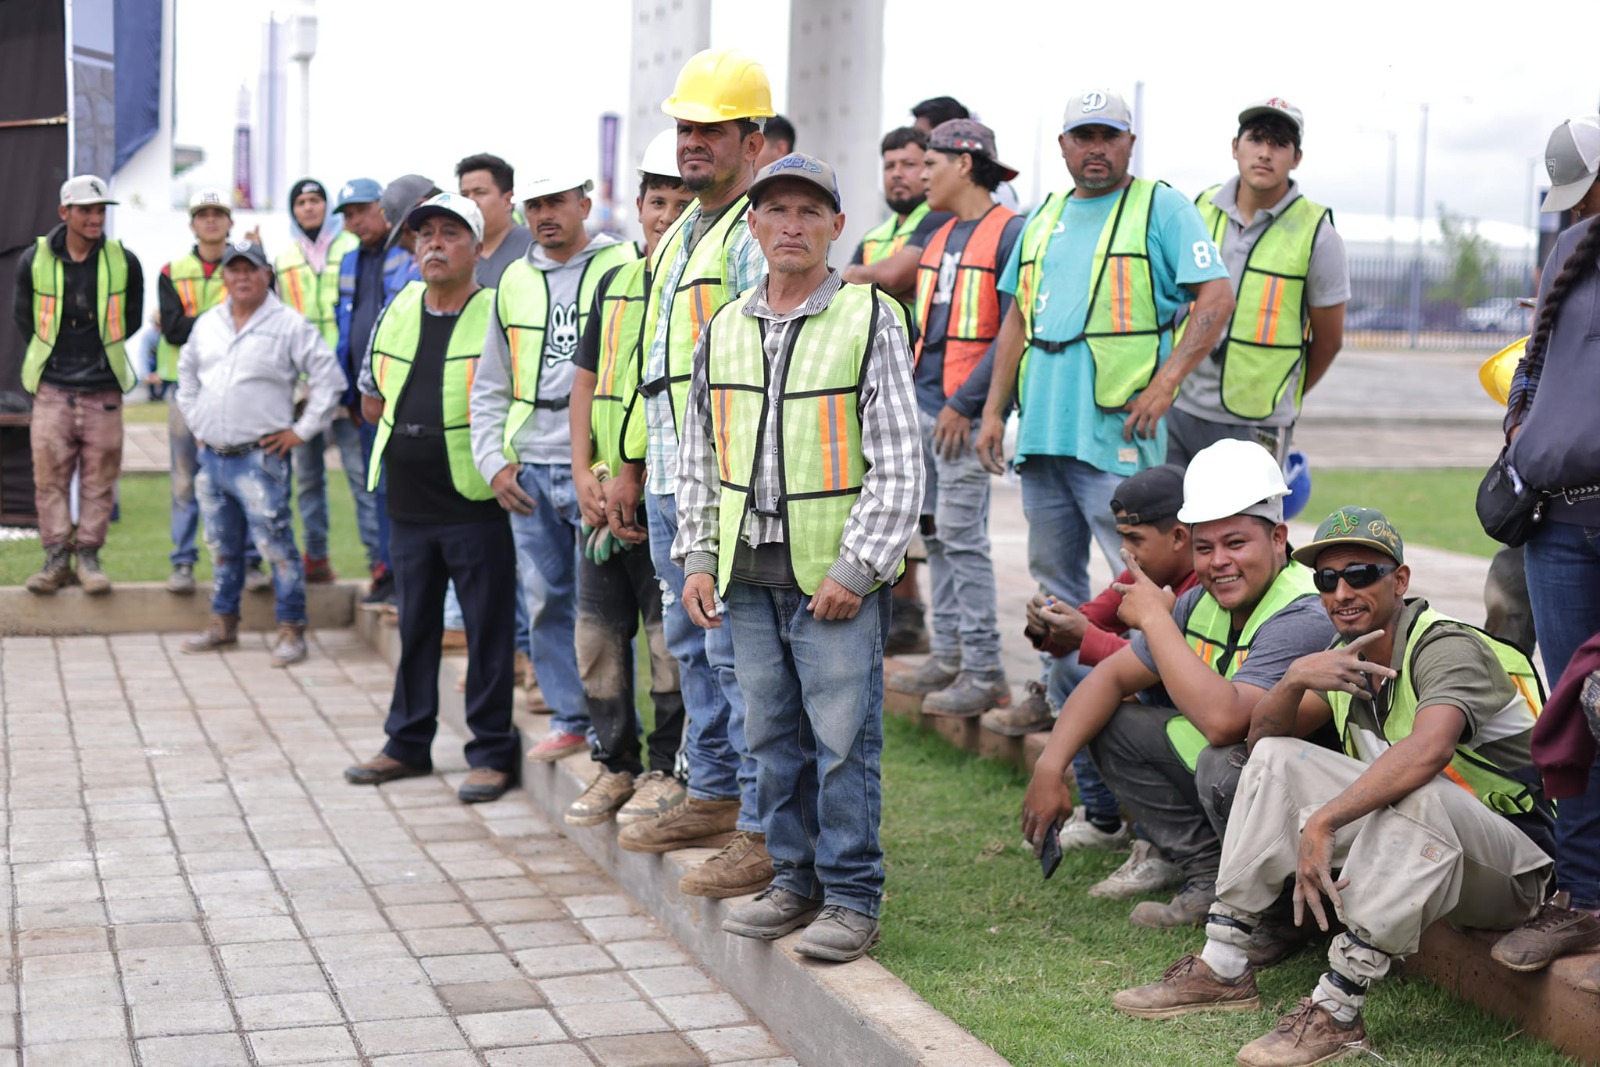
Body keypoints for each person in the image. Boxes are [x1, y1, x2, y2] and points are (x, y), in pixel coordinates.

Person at [1114, 507, 1553, 1067]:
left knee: (1417, 789)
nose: (1342, 591)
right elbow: (1260, 743)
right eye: (1327, 579)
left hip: (1515, 869)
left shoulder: (1445, 645)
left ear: (1399, 580)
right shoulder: (1348, 649)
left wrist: (1324, 821)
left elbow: (1430, 751)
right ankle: (1223, 963)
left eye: (1361, 574)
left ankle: (1338, 1009)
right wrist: (1295, 679)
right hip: (1427, 851)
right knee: (1274, 758)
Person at [676, 153, 923, 962]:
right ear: (752, 225)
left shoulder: (868, 316)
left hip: (830, 581)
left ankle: (852, 895)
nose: (791, 225)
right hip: (749, 578)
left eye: (808, 212)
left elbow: (897, 459)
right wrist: (700, 555)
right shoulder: (726, 326)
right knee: (770, 735)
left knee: (844, 740)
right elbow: (698, 456)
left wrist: (858, 568)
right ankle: (793, 879)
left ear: (835, 227)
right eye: (775, 210)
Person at [975, 88, 1234, 726]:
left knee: (1139, 580)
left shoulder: (1162, 207)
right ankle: (1060, 702)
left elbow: (1217, 298)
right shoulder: (1043, 215)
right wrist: (992, 412)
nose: (1097, 149)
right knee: (1054, 583)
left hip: (1117, 434)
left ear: (1130, 143)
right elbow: (1015, 319)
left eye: (1109, 136)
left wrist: (1169, 379)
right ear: (1063, 145)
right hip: (1041, 436)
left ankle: (1154, 711)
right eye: (1084, 137)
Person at [1019, 440, 1336, 928]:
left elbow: (1226, 723)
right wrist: (1050, 766)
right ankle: (1209, 874)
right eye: (1204, 548)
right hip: (1243, 773)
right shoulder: (1200, 602)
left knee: (1222, 763)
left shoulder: (1302, 610)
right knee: (1110, 721)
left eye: (1236, 544)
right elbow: (1109, 677)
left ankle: (1268, 910)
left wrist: (1156, 621)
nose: (1218, 563)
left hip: (1307, 794)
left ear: (1278, 538)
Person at [604, 49, 774, 898]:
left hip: (728, 477)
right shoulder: (679, 235)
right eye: (684, 128)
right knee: (689, 642)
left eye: (710, 128)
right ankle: (710, 788)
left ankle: (756, 821)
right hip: (672, 466)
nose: (693, 142)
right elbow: (651, 362)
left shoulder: (753, 230)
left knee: (735, 651)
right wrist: (632, 460)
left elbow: (770, 363)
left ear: (752, 136)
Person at [345, 194, 522, 804]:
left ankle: (493, 752)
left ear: (476, 248)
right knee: (415, 627)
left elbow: (516, 399)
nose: (434, 245)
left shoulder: (497, 310)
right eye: (425, 235)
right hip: (408, 502)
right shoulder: (398, 307)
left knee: (486, 632)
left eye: (450, 234)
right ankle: (406, 744)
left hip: (474, 501)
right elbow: (371, 393)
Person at [470, 171, 637, 761]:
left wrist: (620, 464)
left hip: (599, 464)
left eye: (557, 202)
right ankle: (569, 716)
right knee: (545, 599)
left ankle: (620, 730)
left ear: (584, 203)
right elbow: (490, 381)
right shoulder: (514, 278)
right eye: (535, 204)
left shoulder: (624, 263)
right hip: (530, 466)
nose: (546, 215)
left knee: (612, 609)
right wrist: (492, 461)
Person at [1491, 113, 1600, 974]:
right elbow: (1535, 359)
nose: (1579, 208)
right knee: (1573, 711)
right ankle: (1584, 891)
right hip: (1556, 522)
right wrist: (1519, 435)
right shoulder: (1569, 249)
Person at [562, 131, 695, 830]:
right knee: (595, 641)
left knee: (666, 646)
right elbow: (586, 382)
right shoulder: (614, 281)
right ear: (638, 204)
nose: (665, 213)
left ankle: (666, 767)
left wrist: (635, 476)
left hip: (656, 495)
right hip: (602, 492)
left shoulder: (695, 283)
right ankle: (612, 762)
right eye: (656, 200)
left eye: (679, 201)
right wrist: (585, 469)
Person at [884, 119, 1022, 717]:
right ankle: (949, 655)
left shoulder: (1009, 231)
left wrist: (966, 406)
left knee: (964, 541)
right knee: (937, 538)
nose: (919, 176)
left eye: (929, 165)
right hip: (926, 404)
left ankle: (986, 670)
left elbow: (1012, 329)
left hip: (959, 417)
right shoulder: (939, 229)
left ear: (964, 164)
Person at [993, 464, 1198, 851]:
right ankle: (1102, 818)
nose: (1127, 552)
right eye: (1122, 539)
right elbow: (1090, 622)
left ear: (1178, 537)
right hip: (1168, 704)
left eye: (1135, 539)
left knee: (1095, 678)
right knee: (1071, 668)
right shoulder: (1139, 574)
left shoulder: (1204, 583)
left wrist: (1086, 636)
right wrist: (1048, 625)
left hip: (1203, 719)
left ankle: (1158, 844)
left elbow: (1174, 669)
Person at [177, 240, 343, 666]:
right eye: (234, 270)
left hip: (260, 459)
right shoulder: (208, 323)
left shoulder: (288, 324)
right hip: (211, 457)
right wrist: (197, 422)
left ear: (267, 274)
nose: (242, 277)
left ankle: (291, 629)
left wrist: (302, 431)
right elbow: (187, 375)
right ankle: (223, 624)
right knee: (221, 546)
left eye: (250, 269)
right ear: (224, 277)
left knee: (276, 546)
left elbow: (329, 378)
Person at [1166, 98, 1349, 467]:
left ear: (1296, 157)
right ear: (1235, 147)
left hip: (1257, 423)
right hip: (1179, 407)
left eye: (1279, 144)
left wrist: (1279, 394)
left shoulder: (1318, 234)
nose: (1265, 153)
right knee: (1171, 522)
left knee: (1245, 526)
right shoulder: (1198, 209)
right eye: (1256, 139)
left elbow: (1329, 342)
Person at [841, 125, 953, 656]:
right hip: (876, 384)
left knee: (928, 517)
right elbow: (867, 280)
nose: (900, 175)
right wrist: (869, 273)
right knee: (887, 506)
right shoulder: (878, 231)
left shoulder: (936, 221)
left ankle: (924, 624)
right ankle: (902, 618)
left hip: (925, 386)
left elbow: (890, 275)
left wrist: (864, 274)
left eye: (910, 164)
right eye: (890, 166)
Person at [12, 175, 143, 595]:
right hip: (52, 387)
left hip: (104, 388)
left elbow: (133, 318)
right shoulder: (33, 260)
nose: (95, 217)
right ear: (64, 212)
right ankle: (55, 558)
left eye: (100, 209)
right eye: (86, 210)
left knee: (100, 478)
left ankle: (88, 556)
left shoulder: (124, 260)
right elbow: (24, 319)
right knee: (49, 477)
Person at [276, 178, 372, 586]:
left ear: (326, 206)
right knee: (308, 477)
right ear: (293, 210)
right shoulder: (284, 259)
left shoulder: (350, 248)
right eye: (301, 201)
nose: (309, 208)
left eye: (316, 200)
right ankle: (316, 557)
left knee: (359, 475)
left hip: (345, 380)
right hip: (301, 384)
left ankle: (377, 561)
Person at [334, 177, 413, 607]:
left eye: (363, 210)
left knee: (395, 490)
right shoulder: (349, 261)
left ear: (382, 209)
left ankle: (403, 577)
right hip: (363, 397)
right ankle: (384, 571)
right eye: (348, 215)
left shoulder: (404, 255)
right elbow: (346, 328)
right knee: (374, 489)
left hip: (398, 395)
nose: (356, 221)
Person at [157, 189, 234, 595]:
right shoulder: (172, 271)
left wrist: (195, 321)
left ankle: (247, 561)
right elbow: (172, 330)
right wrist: (222, 321)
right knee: (184, 478)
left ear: (229, 222)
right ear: (192, 223)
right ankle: (184, 562)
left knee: (237, 476)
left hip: (234, 387)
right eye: (203, 214)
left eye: (218, 214)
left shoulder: (246, 266)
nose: (210, 221)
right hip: (183, 388)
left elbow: (251, 319)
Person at [456, 152, 532, 286]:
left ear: (508, 200)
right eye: (465, 195)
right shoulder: (456, 253)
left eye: (480, 192)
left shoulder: (534, 247)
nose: (471, 201)